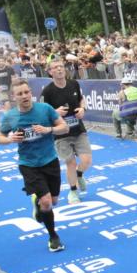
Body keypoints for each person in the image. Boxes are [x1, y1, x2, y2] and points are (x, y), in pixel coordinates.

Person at [0, 80, 69, 253]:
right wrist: (10, 139)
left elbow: (64, 127)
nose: (24, 96)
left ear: (31, 93)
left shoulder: (45, 109)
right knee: (46, 202)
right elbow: (0, 137)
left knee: (53, 201)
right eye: (20, 94)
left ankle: (37, 203)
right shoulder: (10, 117)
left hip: (50, 160)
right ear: (14, 97)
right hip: (28, 164)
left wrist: (48, 130)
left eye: (26, 92)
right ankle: (53, 237)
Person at [40, 60, 92, 205]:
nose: (59, 69)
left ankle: (79, 174)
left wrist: (83, 109)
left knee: (87, 160)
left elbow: (82, 100)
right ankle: (73, 191)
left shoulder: (73, 83)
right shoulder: (47, 91)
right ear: (50, 72)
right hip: (60, 133)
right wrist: (54, 112)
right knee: (70, 163)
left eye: (61, 66)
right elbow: (42, 113)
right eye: (55, 67)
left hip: (78, 129)